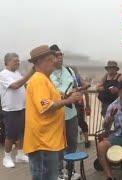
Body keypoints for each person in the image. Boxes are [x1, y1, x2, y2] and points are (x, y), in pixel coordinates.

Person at [23, 45, 82, 180]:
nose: (54, 61)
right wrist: (69, 101)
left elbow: (48, 100)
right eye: (50, 59)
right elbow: (46, 107)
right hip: (43, 142)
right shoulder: (38, 80)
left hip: (48, 140)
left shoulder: (45, 79)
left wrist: (65, 97)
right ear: (38, 62)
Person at [49, 44, 81, 180]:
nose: (60, 57)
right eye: (56, 55)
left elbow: (75, 86)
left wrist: (77, 94)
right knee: (58, 145)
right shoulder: (47, 73)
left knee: (72, 143)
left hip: (71, 113)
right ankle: (59, 171)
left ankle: (70, 169)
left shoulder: (69, 70)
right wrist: (68, 94)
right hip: (56, 114)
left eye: (61, 54)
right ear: (51, 58)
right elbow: (53, 93)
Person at [0, 53, 34, 168]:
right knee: (11, 135)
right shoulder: (3, 75)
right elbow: (15, 85)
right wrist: (31, 72)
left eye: (18, 60)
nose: (18, 62)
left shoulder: (17, 73)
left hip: (21, 108)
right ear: (8, 62)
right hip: (10, 110)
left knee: (21, 133)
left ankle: (20, 154)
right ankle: (7, 157)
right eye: (15, 61)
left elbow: (25, 85)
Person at [70, 66, 91, 148]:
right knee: (81, 122)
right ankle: (86, 140)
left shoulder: (77, 78)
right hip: (78, 103)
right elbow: (86, 89)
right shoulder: (78, 78)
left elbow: (86, 88)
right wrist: (88, 105)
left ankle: (80, 141)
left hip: (75, 104)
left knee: (77, 122)